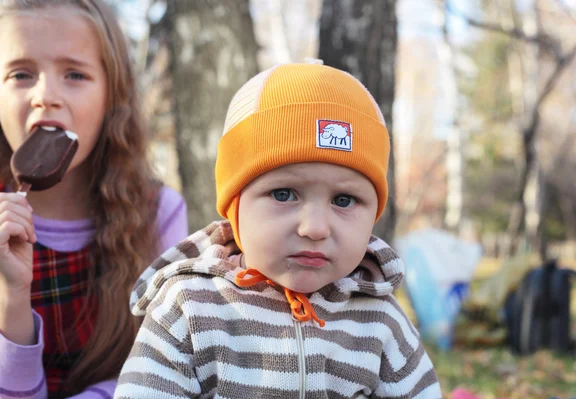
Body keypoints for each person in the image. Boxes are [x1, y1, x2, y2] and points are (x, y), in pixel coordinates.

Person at [115, 61, 442, 398]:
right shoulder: (190, 307)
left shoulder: (380, 321)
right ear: (235, 205)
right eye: (284, 194)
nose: (315, 228)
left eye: (344, 200)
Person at [0, 0, 188, 398]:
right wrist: (12, 293)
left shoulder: (158, 213)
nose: (46, 96)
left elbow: (166, 370)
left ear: (113, 95)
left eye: (74, 74)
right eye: (22, 74)